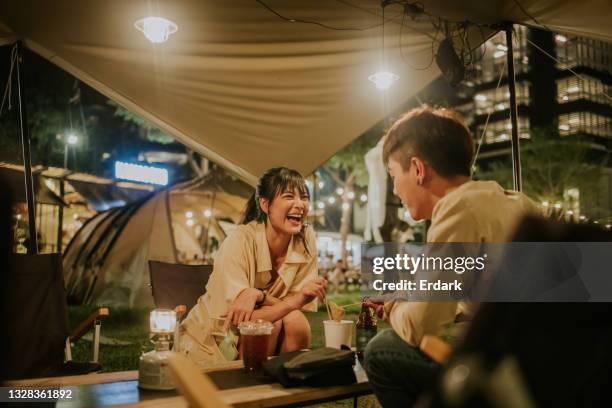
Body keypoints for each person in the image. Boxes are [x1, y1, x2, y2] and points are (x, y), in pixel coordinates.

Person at [362, 106, 539, 408]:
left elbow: (423, 325)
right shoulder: (512, 200)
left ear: (418, 169)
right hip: (546, 356)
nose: (395, 190)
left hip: (514, 373)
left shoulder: (458, 208)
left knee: (381, 350)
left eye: (394, 175)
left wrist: (396, 309)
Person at [180, 167, 327, 366]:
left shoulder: (305, 239)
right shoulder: (239, 239)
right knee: (267, 325)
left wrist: (260, 296)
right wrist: (292, 302)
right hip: (213, 339)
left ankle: (288, 388)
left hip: (258, 328)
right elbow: (237, 319)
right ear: (265, 204)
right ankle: (252, 390)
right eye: (289, 196)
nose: (300, 204)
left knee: (296, 322)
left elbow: (292, 309)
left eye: (304, 197)